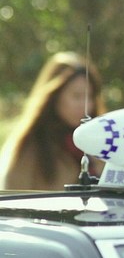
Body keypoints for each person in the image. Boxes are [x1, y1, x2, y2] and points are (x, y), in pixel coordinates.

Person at [0, 52, 106, 190]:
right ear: (55, 97)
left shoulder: (100, 143)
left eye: (90, 96)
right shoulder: (31, 145)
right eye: (76, 96)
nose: (85, 105)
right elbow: (15, 195)